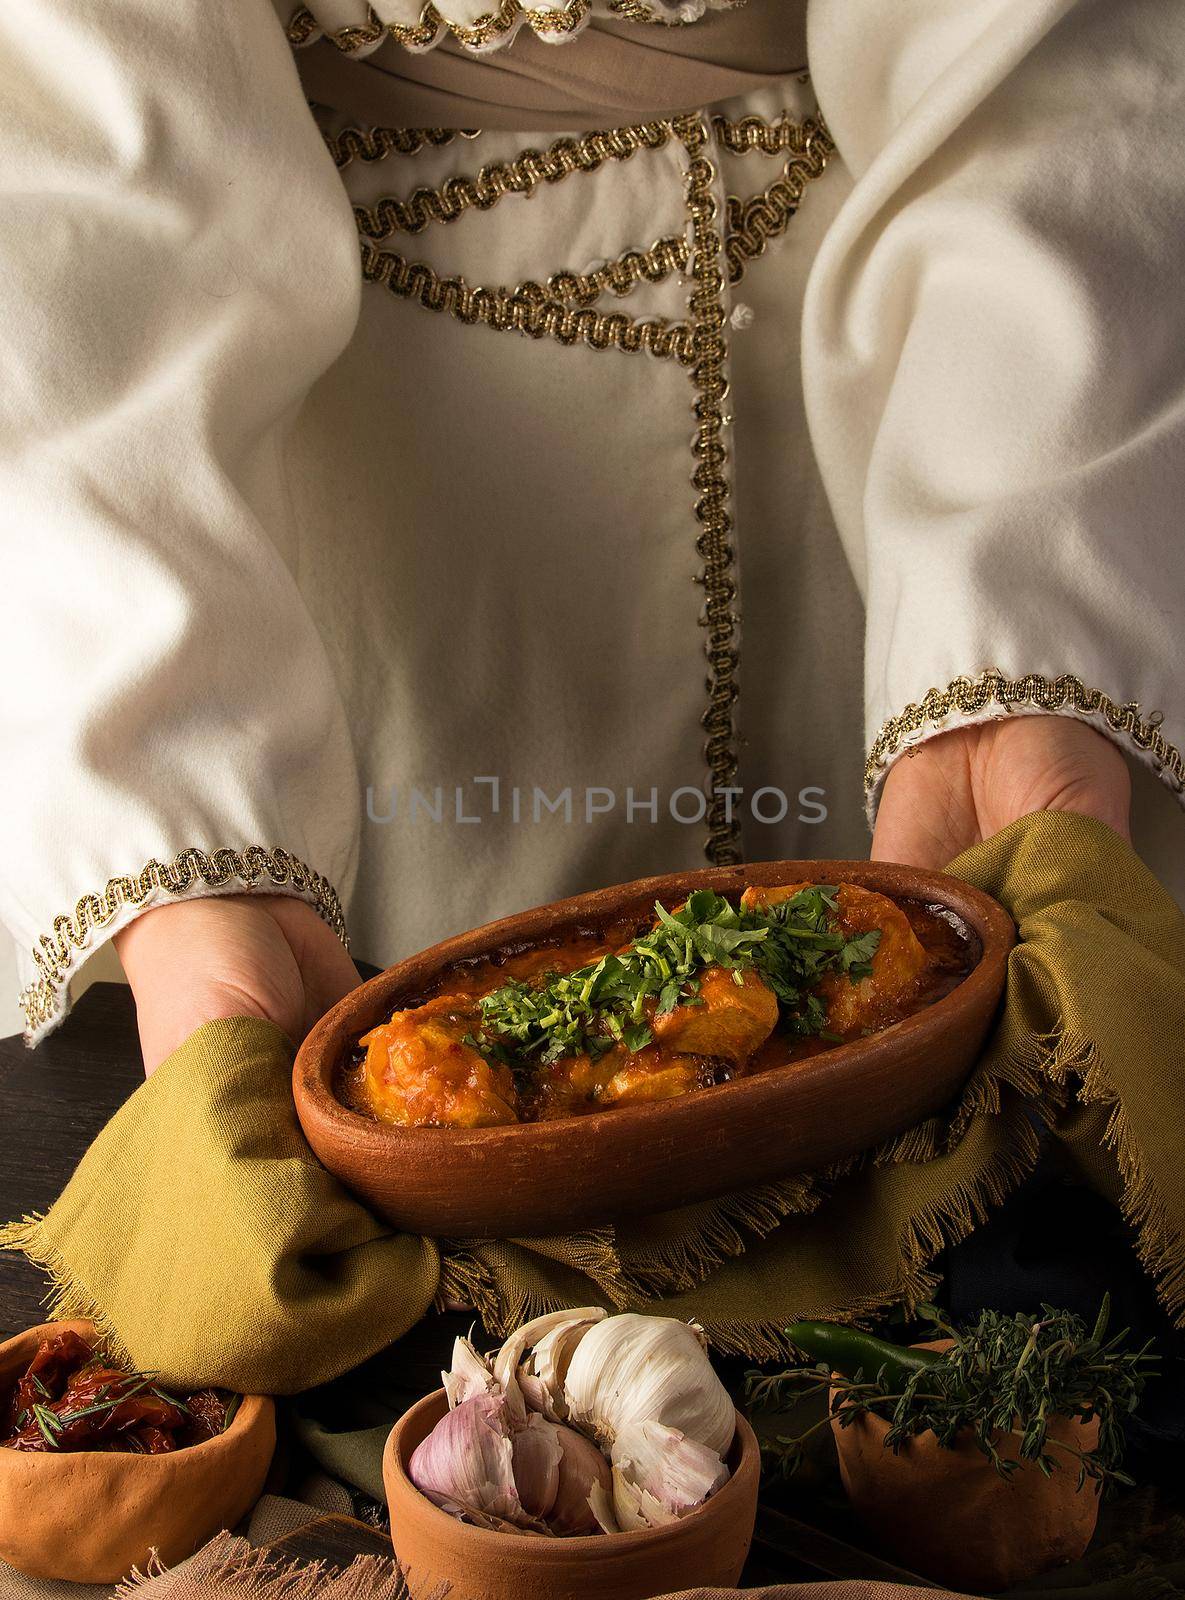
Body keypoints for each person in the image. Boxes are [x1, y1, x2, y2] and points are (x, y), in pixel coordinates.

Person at [2, 0, 1180, 1075]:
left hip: (934, 357)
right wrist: (173, 768)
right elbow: (74, 171)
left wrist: (1026, 600)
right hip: (329, 449)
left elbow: (1063, 49)